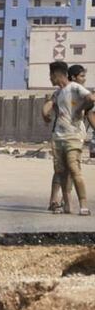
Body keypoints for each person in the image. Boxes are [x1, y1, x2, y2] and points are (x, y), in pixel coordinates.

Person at [42, 60, 95, 215]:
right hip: (58, 137)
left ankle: (83, 205)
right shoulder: (58, 93)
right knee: (60, 171)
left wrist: (80, 107)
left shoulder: (76, 88)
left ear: (56, 75)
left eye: (50, 75)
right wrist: (44, 113)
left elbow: (91, 99)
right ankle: (66, 205)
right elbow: (49, 104)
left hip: (74, 136)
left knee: (74, 168)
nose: (49, 79)